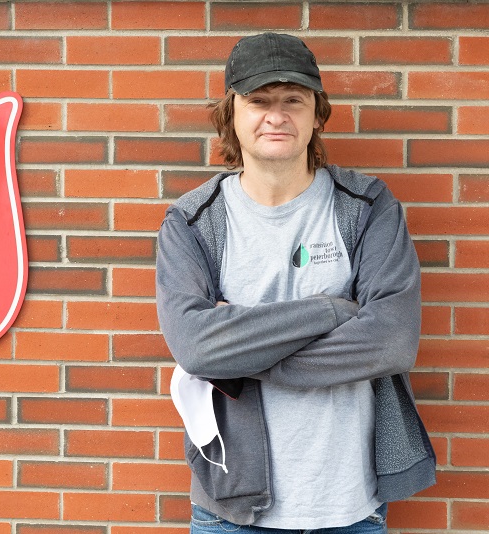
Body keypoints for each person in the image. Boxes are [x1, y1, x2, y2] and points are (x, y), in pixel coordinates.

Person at [156, 32, 436, 532]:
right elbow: (196, 348)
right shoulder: (193, 222)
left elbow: (392, 339)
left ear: (316, 114)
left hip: (351, 506)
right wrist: (332, 311)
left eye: (293, 100)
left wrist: (242, 352)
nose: (276, 115)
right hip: (232, 510)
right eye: (258, 101)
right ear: (232, 114)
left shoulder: (367, 207)